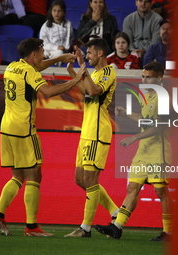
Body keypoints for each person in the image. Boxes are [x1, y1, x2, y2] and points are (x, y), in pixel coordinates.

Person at [0, 38, 86, 237]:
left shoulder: (12, 67)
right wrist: (76, 80)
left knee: (17, 176)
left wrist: (59, 58)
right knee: (35, 175)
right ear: (33, 55)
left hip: (7, 127)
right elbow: (48, 91)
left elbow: (37, 67)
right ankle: (31, 227)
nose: (43, 55)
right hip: (24, 129)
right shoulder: (30, 72)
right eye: (42, 52)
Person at [94, 61, 173, 242]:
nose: (144, 80)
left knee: (162, 193)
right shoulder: (149, 97)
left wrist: (134, 137)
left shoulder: (164, 98)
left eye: (148, 77)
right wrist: (127, 113)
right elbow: (146, 119)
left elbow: (160, 126)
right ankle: (117, 227)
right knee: (132, 188)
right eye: (143, 76)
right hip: (143, 152)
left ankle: (169, 232)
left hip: (158, 153)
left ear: (159, 78)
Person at [64, 38, 119, 238]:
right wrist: (73, 72)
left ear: (100, 53)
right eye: (86, 54)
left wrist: (81, 67)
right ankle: (115, 211)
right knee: (80, 179)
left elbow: (95, 91)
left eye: (89, 53)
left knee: (91, 179)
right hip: (86, 131)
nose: (86, 56)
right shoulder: (95, 73)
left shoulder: (108, 72)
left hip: (98, 131)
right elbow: (86, 92)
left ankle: (85, 228)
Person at [39, 0, 73, 67]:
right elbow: (43, 43)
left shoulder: (68, 24)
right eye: (54, 10)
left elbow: (70, 39)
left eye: (59, 11)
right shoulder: (46, 25)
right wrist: (56, 47)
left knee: (61, 53)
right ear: (51, 12)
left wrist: (65, 48)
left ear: (63, 12)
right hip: (48, 49)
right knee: (57, 53)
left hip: (63, 50)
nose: (56, 13)